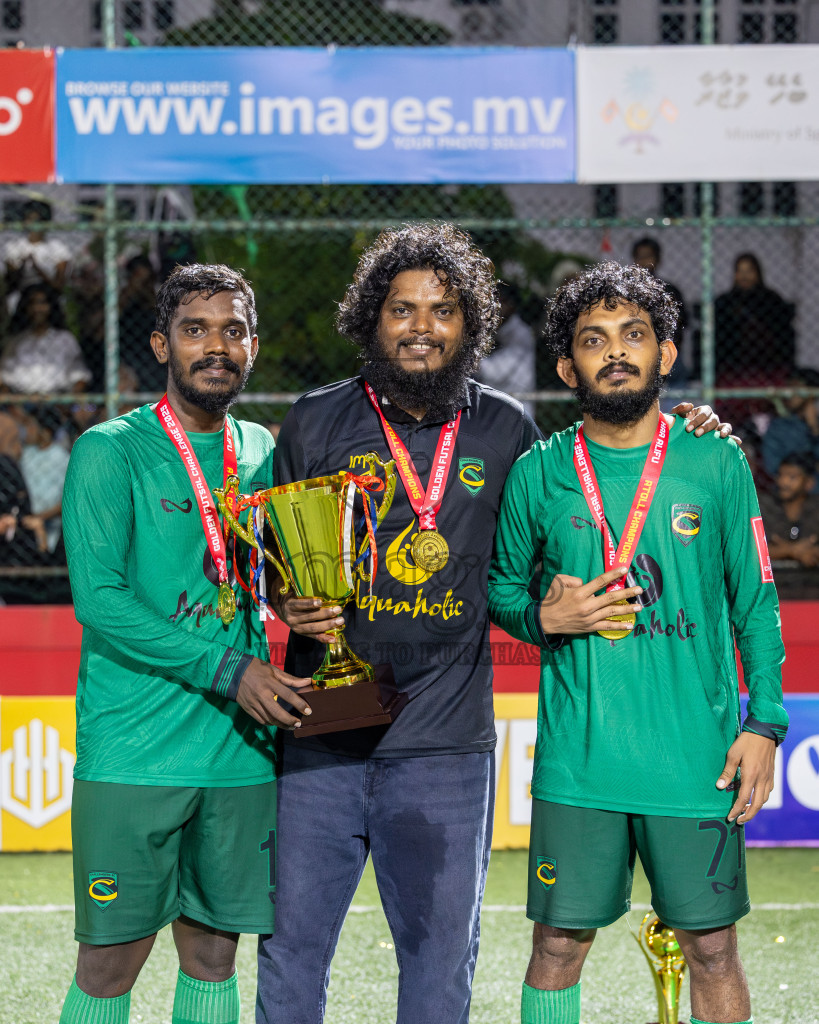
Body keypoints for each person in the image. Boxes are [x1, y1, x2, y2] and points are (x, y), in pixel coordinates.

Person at [255, 224, 731, 1024]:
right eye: (401, 309)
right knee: (291, 953)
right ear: (371, 320)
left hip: (444, 748)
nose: (420, 327)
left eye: (442, 310)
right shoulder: (313, 421)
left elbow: (593, 485)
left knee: (441, 964)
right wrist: (287, 598)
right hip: (320, 735)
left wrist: (687, 431)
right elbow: (267, 557)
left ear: (468, 324)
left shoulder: (507, 430)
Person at [488, 261, 787, 1024]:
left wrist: (764, 724)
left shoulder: (714, 460)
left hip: (696, 760)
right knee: (557, 946)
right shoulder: (536, 473)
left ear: (664, 353)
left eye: (633, 335)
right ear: (567, 365)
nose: (615, 351)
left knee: (712, 948)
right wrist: (541, 619)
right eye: (594, 340)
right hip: (579, 762)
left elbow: (753, 601)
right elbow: (500, 592)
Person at [58, 264, 313, 1024]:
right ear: (160, 343)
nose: (215, 346)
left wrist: (298, 601)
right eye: (195, 330)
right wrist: (228, 667)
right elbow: (100, 601)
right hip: (135, 751)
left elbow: (265, 574)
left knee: (213, 951)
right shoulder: (111, 450)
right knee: (108, 961)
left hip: (238, 752)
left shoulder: (262, 448)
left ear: (253, 346)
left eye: (232, 331)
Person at [715, 253, 795, 385]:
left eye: (749, 271)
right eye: (740, 271)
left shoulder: (771, 300)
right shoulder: (725, 302)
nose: (744, 276)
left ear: (758, 273)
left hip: (767, 366)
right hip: (733, 367)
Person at [0, 283, 91, 394]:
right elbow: (3, 379)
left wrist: (69, 403)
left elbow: (80, 376)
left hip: (57, 400)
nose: (37, 308)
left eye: (42, 303)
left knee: (88, 409)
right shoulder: (16, 342)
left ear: (51, 306)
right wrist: (14, 408)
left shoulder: (65, 339)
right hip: (21, 400)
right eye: (32, 303)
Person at [631, 236, 688, 387]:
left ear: (657, 259)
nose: (644, 262)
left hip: (666, 348)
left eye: (648, 256)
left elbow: (681, 324)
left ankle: (677, 410)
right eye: (640, 257)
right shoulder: (628, 293)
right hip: (636, 350)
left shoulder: (669, 290)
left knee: (677, 371)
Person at [478, 282, 537, 415]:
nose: (491, 308)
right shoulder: (497, 332)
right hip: (495, 405)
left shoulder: (521, 334)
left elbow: (495, 372)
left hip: (517, 407)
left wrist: (466, 360)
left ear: (511, 305)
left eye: (499, 303)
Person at [3, 199, 71, 314]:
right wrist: (23, 266)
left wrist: (37, 269)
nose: (34, 225)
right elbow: (11, 284)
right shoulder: (14, 247)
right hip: (22, 297)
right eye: (30, 219)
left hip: (49, 296)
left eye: (39, 220)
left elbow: (59, 285)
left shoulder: (57, 248)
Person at [759, 451, 819, 568]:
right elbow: (753, 551)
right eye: (780, 475)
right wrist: (792, 551)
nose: (783, 482)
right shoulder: (765, 506)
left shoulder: (816, 506)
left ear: (809, 483)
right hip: (776, 582)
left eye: (792, 477)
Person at [761, 368, 819, 483]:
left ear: (811, 393)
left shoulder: (816, 425)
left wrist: (814, 429)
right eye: (788, 388)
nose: (788, 394)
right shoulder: (779, 426)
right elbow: (771, 466)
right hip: (790, 488)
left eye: (795, 388)